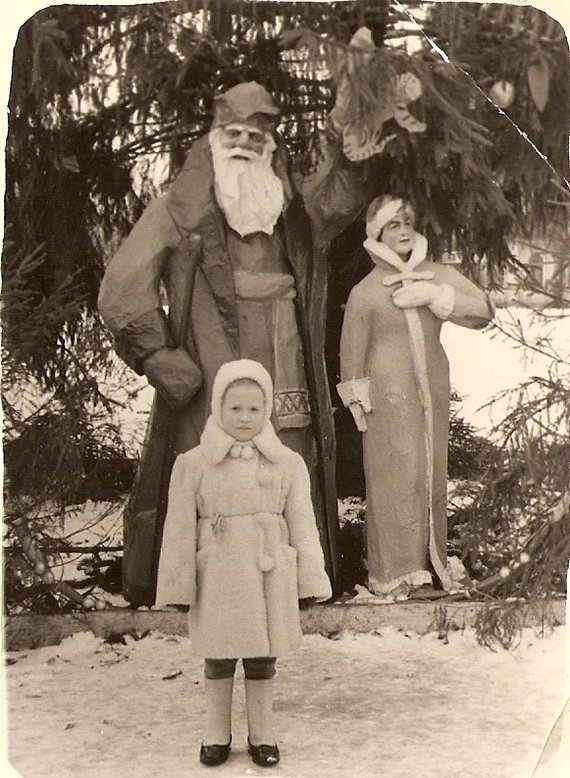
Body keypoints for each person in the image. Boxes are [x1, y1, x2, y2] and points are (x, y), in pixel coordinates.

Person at [97, 80, 373, 604]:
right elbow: (122, 288)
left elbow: (339, 198)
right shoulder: (179, 214)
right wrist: (158, 354)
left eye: (255, 133)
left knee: (289, 459)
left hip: (284, 352)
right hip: (209, 357)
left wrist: (356, 116)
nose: (244, 142)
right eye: (234, 132)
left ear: (270, 144)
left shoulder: (292, 212)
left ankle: (295, 583)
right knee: (209, 465)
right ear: (214, 138)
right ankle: (204, 588)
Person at [155, 358, 332, 767]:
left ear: (267, 409)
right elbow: (179, 529)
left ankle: (262, 735)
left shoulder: (286, 462)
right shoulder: (194, 464)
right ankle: (215, 734)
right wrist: (179, 586)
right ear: (218, 407)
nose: (245, 417)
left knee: (261, 657)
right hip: (217, 575)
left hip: (268, 574)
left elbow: (303, 522)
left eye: (255, 408)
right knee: (218, 655)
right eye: (235, 408)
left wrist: (308, 579)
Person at [337, 194, 495, 598]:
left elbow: (483, 310)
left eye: (408, 222)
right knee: (393, 478)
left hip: (432, 390)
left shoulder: (436, 275)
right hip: (386, 398)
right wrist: (358, 399)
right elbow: (352, 352)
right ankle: (396, 574)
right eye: (394, 225)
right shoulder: (367, 292)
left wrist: (437, 299)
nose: (405, 231)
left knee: (430, 473)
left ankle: (432, 563)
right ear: (377, 233)